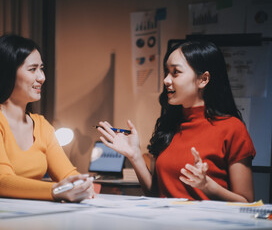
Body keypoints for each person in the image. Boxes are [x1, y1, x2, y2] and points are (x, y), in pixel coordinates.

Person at [97, 41, 256, 202]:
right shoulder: (170, 126)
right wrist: (135, 156)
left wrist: (207, 185)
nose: (166, 80)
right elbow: (155, 195)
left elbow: (247, 202)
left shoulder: (232, 128)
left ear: (203, 79)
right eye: (167, 72)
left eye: (175, 72)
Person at [0, 34, 94, 202]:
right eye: (33, 69)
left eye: (41, 68)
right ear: (7, 73)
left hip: (29, 211)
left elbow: (68, 174)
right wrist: (56, 189)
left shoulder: (42, 125)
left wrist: (82, 184)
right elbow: (0, 181)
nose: (42, 77)